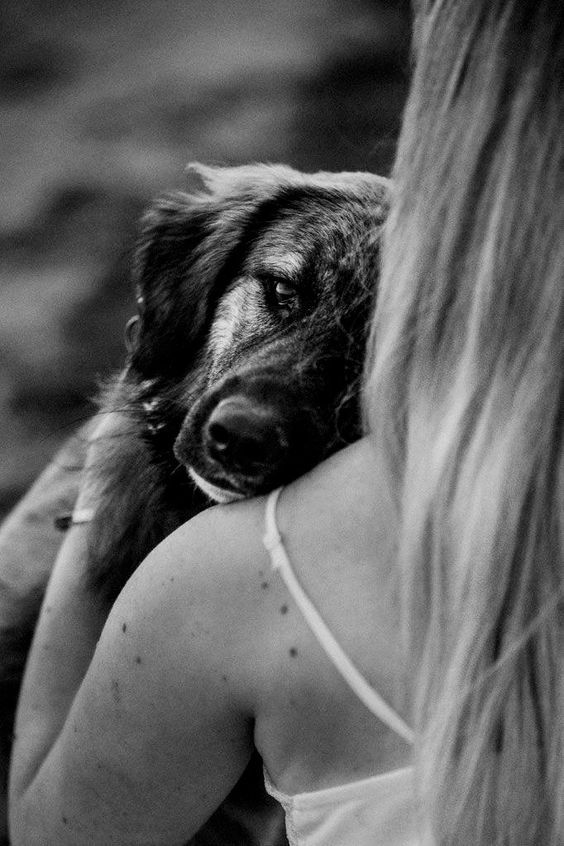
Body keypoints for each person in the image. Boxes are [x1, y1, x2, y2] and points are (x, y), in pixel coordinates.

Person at [8, 0, 564, 843]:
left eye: (369, 355)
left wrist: (100, 478)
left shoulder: (238, 581)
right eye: (279, 297)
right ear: (200, 279)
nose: (257, 416)